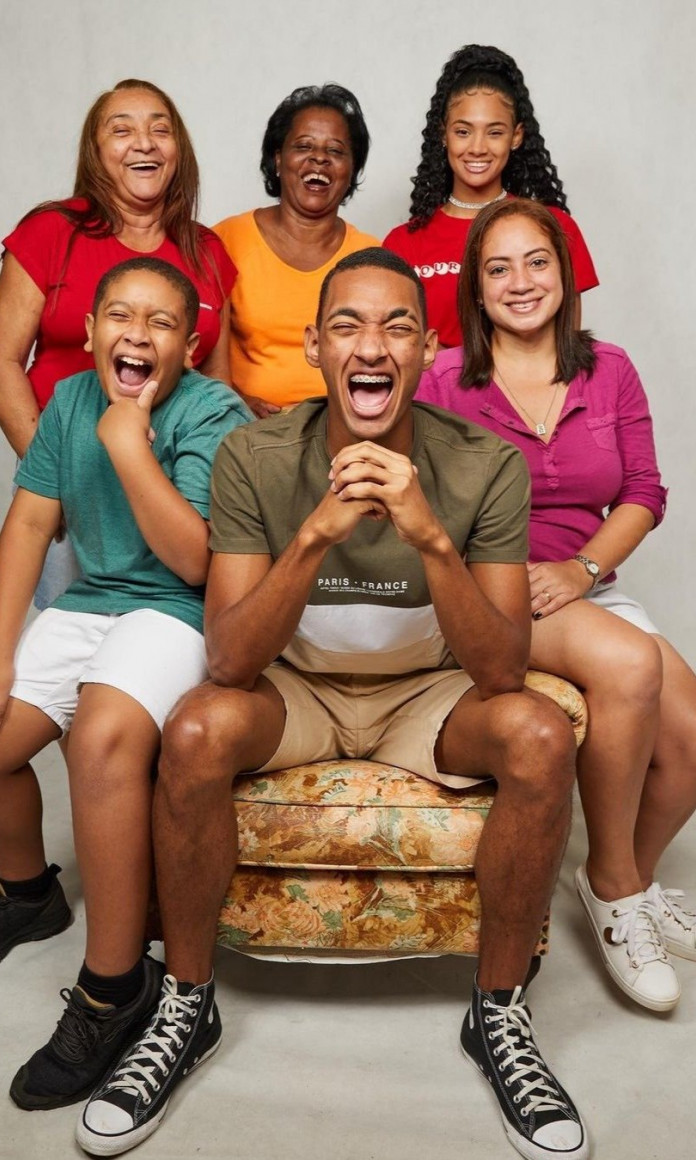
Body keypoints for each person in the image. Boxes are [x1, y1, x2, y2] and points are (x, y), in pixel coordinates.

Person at [77, 248, 588, 1160]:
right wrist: (312, 534)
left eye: (397, 325)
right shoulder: (255, 453)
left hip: (426, 693)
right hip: (294, 686)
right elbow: (229, 659)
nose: (372, 345)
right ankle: (185, 1006)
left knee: (540, 735)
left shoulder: (483, 463)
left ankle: (500, 1012)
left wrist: (431, 536)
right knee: (195, 728)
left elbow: (504, 670)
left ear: (429, 348)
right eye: (348, 324)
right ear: (315, 345)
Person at [417, 198, 696, 1012]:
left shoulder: (610, 367)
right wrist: (508, 579)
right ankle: (614, 891)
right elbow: (427, 521)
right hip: (490, 594)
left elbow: (643, 491)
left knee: (689, 742)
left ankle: (628, 882)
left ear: (564, 274)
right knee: (631, 662)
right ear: (475, 288)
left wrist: (582, 567)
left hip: (583, 580)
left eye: (536, 261)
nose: (520, 281)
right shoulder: (442, 382)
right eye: (497, 268)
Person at [0, 257, 251, 1112]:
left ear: (189, 344)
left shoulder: (212, 411)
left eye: (161, 323)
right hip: (91, 600)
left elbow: (197, 559)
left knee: (102, 729)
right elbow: (32, 522)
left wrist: (127, 442)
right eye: (119, 315)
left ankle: (115, 990)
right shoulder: (68, 400)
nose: (136, 334)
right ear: (93, 328)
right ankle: (29, 891)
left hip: (179, 610)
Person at [0, 78, 236, 608]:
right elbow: (2, 360)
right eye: (122, 129)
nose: (145, 142)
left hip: (177, 480)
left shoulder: (208, 252)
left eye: (160, 129)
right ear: (96, 149)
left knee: (169, 633)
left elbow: (217, 382)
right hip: (70, 467)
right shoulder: (49, 232)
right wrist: (57, 470)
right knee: (71, 630)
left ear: (179, 150)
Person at [383, 44, 598, 348]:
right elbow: (400, 347)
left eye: (494, 132)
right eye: (463, 131)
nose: (478, 148)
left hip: (530, 394)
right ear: (443, 134)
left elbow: (567, 348)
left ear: (516, 137)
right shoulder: (403, 243)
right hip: (431, 395)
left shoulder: (553, 228)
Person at [213, 84, 379, 417]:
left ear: (352, 170)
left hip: (344, 429)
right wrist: (238, 405)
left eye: (336, 150)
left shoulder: (372, 258)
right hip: (243, 427)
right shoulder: (224, 241)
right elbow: (203, 360)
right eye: (303, 146)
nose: (319, 158)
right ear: (277, 158)